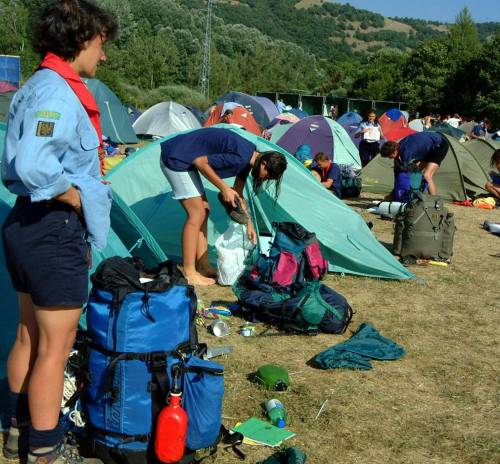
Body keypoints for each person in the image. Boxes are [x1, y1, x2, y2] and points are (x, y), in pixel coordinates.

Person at [1, 1, 117, 463]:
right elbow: (33, 164)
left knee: (29, 337)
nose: (103, 57)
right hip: (52, 226)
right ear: (80, 39)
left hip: (26, 224)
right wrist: (72, 195)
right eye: (101, 45)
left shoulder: (38, 85)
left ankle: (16, 433)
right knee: (55, 347)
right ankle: (45, 452)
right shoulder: (57, 93)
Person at [160, 127, 287, 286]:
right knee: (196, 214)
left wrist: (249, 223)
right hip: (176, 157)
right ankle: (189, 272)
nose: (265, 178)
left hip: (185, 158)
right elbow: (200, 162)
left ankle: (203, 266)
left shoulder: (249, 158)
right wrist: (224, 188)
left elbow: (238, 193)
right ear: (264, 163)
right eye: (267, 175)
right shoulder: (241, 158)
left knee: (205, 210)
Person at [380, 131, 448, 196]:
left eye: (389, 156)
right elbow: (397, 172)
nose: (389, 158)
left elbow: (403, 174)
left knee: (426, 175)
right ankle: (415, 194)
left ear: (394, 152)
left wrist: (394, 193)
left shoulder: (406, 151)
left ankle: (435, 201)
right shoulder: (399, 146)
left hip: (439, 145)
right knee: (416, 171)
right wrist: (394, 192)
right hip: (429, 147)